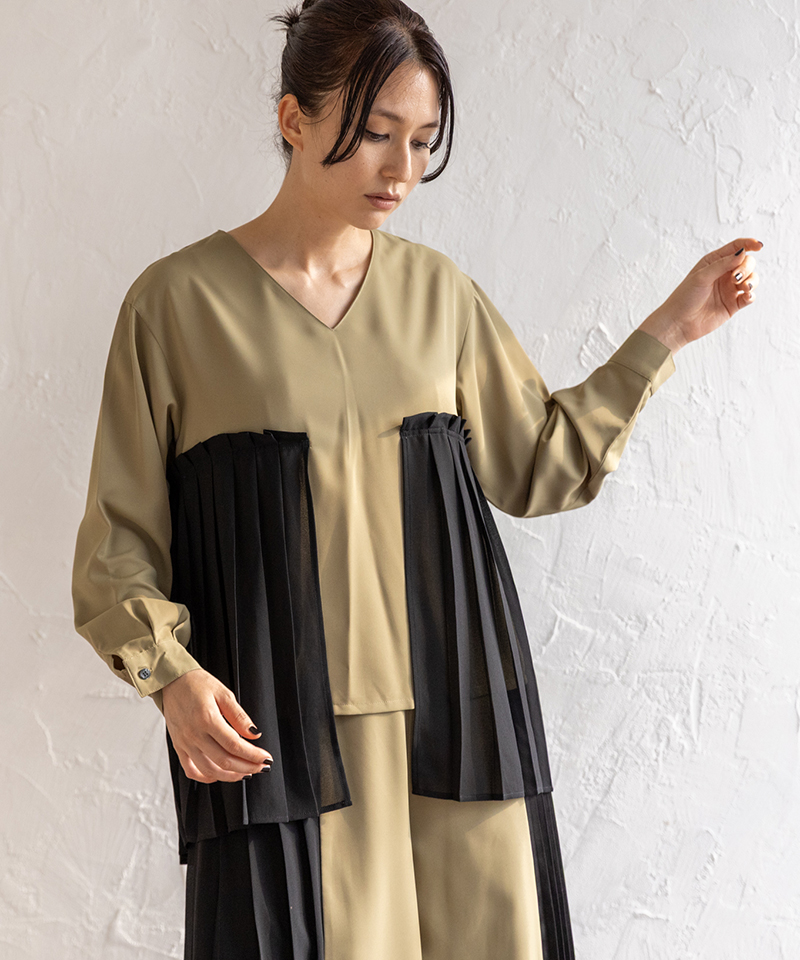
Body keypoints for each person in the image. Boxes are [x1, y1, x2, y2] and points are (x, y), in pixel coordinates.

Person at [71, 1, 762, 958]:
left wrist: (672, 330)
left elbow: (538, 464)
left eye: (423, 141)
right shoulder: (177, 306)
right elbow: (117, 546)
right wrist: (171, 679)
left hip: (461, 723)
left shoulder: (440, 296)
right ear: (293, 119)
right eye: (375, 132)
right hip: (282, 737)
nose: (400, 169)